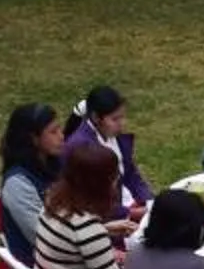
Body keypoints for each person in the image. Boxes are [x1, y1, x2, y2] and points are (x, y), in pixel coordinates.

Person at [32, 143, 127, 269]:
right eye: (113, 176)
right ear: (101, 184)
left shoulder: (53, 202)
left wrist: (105, 229)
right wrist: (145, 261)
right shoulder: (88, 228)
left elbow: (69, 239)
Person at [63, 86, 154, 220]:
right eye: (115, 119)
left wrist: (150, 201)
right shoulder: (80, 149)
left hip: (127, 202)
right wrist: (133, 213)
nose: (122, 123)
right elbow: (91, 200)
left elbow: (130, 173)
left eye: (123, 117)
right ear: (95, 117)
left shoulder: (111, 133)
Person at [0, 103, 66, 259]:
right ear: (33, 139)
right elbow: (43, 238)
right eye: (53, 132)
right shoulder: (17, 183)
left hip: (69, 247)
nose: (61, 136)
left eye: (59, 129)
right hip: (45, 263)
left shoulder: (55, 163)